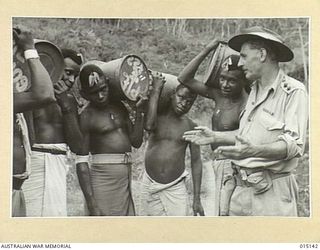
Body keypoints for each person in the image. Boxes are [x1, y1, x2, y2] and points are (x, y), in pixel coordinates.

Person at [183, 26, 308, 216]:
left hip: (271, 193)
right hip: (240, 189)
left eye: (244, 56)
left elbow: (294, 145)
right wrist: (216, 136)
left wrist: (255, 151)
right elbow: (247, 136)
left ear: (262, 54)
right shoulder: (254, 90)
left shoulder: (293, 91)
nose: (240, 63)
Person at [61, 64, 147, 216]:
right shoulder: (87, 116)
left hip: (125, 178)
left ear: (108, 82)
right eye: (94, 93)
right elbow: (81, 161)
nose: (100, 96)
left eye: (103, 89)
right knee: (103, 230)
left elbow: (136, 141)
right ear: (84, 94)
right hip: (102, 180)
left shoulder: (120, 107)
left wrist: (139, 111)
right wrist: (91, 202)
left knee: (124, 231)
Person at [178, 39, 248, 215]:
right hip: (218, 164)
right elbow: (184, 78)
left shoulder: (246, 104)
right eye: (222, 78)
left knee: (226, 214)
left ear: (243, 81)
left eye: (231, 81)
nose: (224, 84)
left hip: (235, 166)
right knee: (220, 212)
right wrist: (207, 49)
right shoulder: (219, 95)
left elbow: (247, 138)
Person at [21, 47, 83, 217]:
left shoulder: (70, 100)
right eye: (69, 72)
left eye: (75, 76)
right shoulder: (31, 94)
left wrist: (66, 107)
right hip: (34, 162)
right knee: (31, 217)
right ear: (54, 66)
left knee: (55, 217)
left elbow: (77, 146)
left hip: (59, 165)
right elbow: (27, 138)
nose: (71, 80)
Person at [139, 72, 204, 216]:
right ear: (172, 95)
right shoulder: (157, 117)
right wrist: (156, 90)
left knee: (179, 232)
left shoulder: (191, 126)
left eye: (189, 102)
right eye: (181, 97)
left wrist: (197, 198)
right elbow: (148, 126)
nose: (184, 103)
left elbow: (196, 162)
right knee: (147, 231)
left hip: (175, 187)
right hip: (149, 183)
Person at [13, 29, 55, 216]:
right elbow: (45, 94)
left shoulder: (14, 104)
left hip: (15, 190)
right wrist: (29, 49)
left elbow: (31, 137)